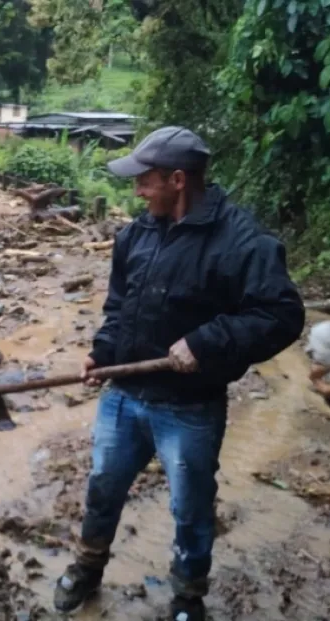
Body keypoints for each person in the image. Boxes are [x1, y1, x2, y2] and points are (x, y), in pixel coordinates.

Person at [53, 127, 305, 621]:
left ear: (177, 179)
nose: (137, 191)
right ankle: (88, 566)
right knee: (103, 485)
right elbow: (119, 305)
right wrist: (102, 353)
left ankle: (188, 598)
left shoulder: (242, 241)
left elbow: (282, 315)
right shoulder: (136, 233)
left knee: (190, 509)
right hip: (124, 394)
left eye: (144, 181)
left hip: (189, 408)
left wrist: (206, 342)